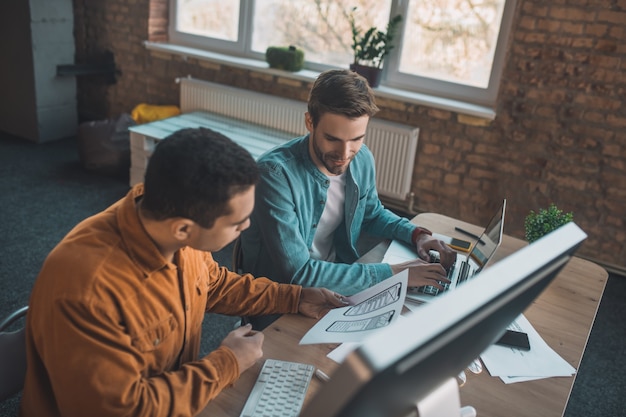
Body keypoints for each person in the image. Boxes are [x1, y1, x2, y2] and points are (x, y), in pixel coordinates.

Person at [20, 128, 347, 417]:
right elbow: (124, 409)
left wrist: (295, 297)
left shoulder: (169, 223)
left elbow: (215, 286)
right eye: (237, 223)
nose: (247, 226)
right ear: (183, 229)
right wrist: (226, 362)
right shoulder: (88, 290)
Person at [240, 69, 456, 328]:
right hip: (284, 304)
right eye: (332, 139)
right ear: (310, 122)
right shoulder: (274, 175)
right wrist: (396, 274)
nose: (344, 153)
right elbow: (299, 274)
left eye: (356, 139)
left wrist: (416, 235)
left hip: (340, 285)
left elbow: (372, 213)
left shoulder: (362, 158)